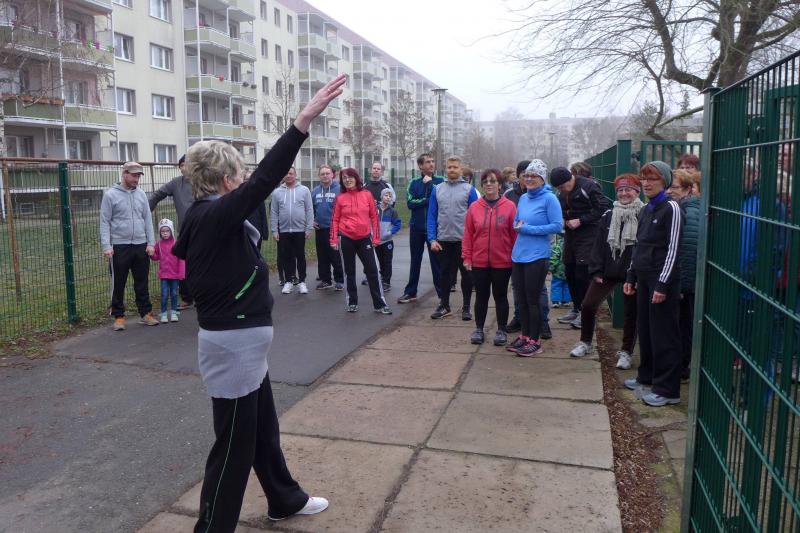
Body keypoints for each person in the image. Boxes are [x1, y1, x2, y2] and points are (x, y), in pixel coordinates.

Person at [173, 75, 344, 532]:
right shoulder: (214, 213)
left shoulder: (206, 217)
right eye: (240, 176)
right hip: (234, 345)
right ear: (225, 179)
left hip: (241, 342)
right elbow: (266, 179)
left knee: (263, 429)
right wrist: (302, 122)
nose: (245, 181)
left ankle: (285, 499)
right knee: (233, 447)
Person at [623, 161, 684, 407]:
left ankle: (667, 389)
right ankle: (646, 376)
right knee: (646, 330)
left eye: (652, 179)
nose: (646, 183)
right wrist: (631, 275)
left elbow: (673, 249)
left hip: (661, 280)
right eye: (644, 179)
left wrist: (662, 284)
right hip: (644, 278)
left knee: (664, 334)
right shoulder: (646, 209)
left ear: (665, 182)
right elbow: (638, 245)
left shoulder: (672, 208)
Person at [569, 174, 644, 370]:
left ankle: (626, 352)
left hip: (631, 273)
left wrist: (636, 275)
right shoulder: (609, 215)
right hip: (608, 270)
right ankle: (585, 342)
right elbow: (599, 245)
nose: (624, 193)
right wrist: (596, 270)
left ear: (637, 192)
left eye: (628, 190)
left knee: (631, 313)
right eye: (620, 190)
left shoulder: (644, 214)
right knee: (588, 305)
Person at [506, 160, 563, 356]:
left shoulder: (550, 199)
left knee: (533, 300)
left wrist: (528, 229)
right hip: (519, 254)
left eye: (534, 176)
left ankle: (535, 340)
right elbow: (517, 220)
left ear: (542, 179)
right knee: (521, 300)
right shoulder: (523, 198)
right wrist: (517, 225)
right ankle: (524, 336)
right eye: (527, 175)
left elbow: (557, 226)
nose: (529, 179)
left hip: (537, 256)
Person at [100, 161, 158, 331]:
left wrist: (151, 243)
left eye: (139, 175)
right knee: (118, 282)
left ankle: (145, 313)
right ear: (124, 173)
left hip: (141, 245)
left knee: (142, 282)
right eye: (133, 175)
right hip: (119, 246)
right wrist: (106, 245)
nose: (136, 179)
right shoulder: (110, 195)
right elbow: (104, 221)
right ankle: (119, 316)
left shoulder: (141, 194)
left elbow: (147, 219)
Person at [550, 165, 610, 329]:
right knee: (569, 269)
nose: (562, 190)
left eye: (564, 186)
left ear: (571, 178)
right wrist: (563, 219)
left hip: (589, 232)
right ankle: (576, 308)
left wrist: (582, 220)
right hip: (571, 233)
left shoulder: (589, 186)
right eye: (559, 188)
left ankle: (587, 313)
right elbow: (562, 210)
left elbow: (603, 207)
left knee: (582, 272)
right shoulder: (561, 193)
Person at [462, 168, 517, 346]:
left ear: (500, 185)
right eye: (485, 182)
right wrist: (467, 257)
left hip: (502, 262)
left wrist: (514, 258)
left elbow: (514, 235)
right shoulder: (474, 207)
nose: (489, 184)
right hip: (479, 262)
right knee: (481, 296)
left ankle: (501, 330)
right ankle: (479, 329)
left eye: (493, 181)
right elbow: (468, 234)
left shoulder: (510, 207)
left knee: (500, 296)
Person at [330, 168, 392, 315]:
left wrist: (376, 237)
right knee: (349, 272)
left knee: (372, 270)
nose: (347, 180)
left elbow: (374, 217)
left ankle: (380, 304)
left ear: (356, 178)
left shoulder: (366, 195)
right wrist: (333, 239)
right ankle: (352, 302)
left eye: (350, 177)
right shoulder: (340, 198)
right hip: (346, 239)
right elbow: (334, 220)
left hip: (365, 238)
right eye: (344, 178)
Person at [428, 157, 478, 320]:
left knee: (466, 274)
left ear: (461, 170)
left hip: (464, 241)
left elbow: (476, 217)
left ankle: (466, 307)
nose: (452, 170)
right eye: (449, 167)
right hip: (443, 240)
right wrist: (432, 238)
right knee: (444, 274)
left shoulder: (469, 190)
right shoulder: (437, 189)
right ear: (445, 169)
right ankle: (444, 305)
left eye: (455, 167)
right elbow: (432, 215)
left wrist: (474, 240)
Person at [148, 155, 195, 310]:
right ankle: (187, 298)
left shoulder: (203, 182)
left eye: (188, 164)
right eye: (182, 165)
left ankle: (207, 296)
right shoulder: (176, 183)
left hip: (204, 232)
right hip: (184, 232)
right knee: (182, 264)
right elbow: (158, 194)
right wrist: (148, 208)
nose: (184, 167)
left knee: (204, 264)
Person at [397, 153, 444, 304]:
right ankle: (411, 292)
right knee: (415, 261)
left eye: (433, 161)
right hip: (416, 228)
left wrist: (430, 185)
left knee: (437, 264)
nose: (431, 164)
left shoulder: (440, 181)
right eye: (428, 162)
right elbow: (410, 203)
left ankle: (443, 297)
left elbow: (441, 199)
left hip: (434, 229)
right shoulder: (414, 182)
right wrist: (427, 199)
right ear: (420, 166)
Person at [668, 169, 700, 380]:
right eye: (668, 186)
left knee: (683, 326)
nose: (669, 191)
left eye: (674, 187)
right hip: (679, 281)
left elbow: (688, 251)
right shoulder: (680, 208)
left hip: (684, 284)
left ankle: (681, 368)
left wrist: (682, 286)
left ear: (688, 189)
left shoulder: (689, 212)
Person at [270, 167, 313, 295]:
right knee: (286, 257)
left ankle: (302, 282)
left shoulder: (304, 190)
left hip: (299, 230)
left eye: (291, 173)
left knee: (300, 256)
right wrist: (274, 230)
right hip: (283, 231)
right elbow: (274, 212)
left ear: (295, 174)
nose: (288, 175)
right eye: (286, 173)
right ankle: (288, 281)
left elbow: (309, 210)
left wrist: (309, 227)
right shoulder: (277, 192)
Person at [361, 162, 396, 285]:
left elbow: (392, 203)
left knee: (383, 255)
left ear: (381, 171)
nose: (376, 170)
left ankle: (384, 276)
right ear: (370, 170)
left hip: (382, 226)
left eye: (378, 169)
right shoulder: (365, 186)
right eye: (374, 168)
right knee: (368, 253)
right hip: (368, 226)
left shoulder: (386, 185)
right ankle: (369, 275)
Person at [311, 164, 344, 291]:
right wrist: (312, 220)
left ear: (332, 175)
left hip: (334, 229)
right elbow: (309, 209)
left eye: (327, 173)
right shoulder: (315, 191)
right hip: (320, 229)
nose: (325, 176)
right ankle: (326, 280)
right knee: (322, 256)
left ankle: (339, 280)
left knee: (334, 255)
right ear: (319, 176)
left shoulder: (340, 189)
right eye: (322, 174)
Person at [151, 218, 185, 323]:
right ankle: (164, 313)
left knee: (174, 293)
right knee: (164, 295)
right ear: (160, 233)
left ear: (171, 231)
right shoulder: (158, 244)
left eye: (167, 231)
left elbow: (181, 259)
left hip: (175, 275)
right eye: (162, 231)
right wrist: (151, 254)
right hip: (164, 275)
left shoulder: (176, 243)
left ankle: (174, 312)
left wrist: (181, 273)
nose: (165, 233)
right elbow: (156, 257)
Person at [376, 189, 401, 291]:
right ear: (381, 196)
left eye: (390, 196)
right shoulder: (375, 209)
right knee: (380, 261)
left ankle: (387, 282)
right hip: (377, 241)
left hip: (387, 241)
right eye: (386, 195)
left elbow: (397, 224)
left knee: (387, 261)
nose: (388, 198)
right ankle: (382, 277)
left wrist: (390, 232)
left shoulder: (392, 211)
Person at [549, 235, 571, 308]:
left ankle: (556, 301)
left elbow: (554, 258)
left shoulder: (558, 245)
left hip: (558, 271)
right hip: (568, 269)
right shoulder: (572, 243)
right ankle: (566, 301)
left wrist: (551, 268)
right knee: (567, 286)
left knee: (556, 285)